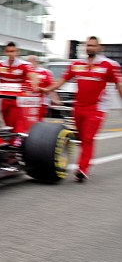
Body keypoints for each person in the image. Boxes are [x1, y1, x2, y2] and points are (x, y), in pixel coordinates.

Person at [42, 36, 122, 182]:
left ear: (99, 47)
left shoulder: (108, 65)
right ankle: (83, 164)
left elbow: (118, 85)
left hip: (97, 108)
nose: (89, 48)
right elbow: (61, 81)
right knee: (80, 136)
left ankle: (82, 169)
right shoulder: (77, 64)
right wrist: (46, 89)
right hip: (78, 107)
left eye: (92, 45)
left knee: (87, 138)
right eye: (87, 45)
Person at [0, 42, 39, 130]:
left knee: (14, 125)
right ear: (5, 52)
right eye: (8, 51)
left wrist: (35, 84)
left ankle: (15, 141)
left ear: (17, 52)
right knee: (6, 123)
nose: (11, 54)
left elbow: (33, 76)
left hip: (18, 101)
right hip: (4, 99)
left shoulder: (25, 65)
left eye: (13, 51)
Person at [26, 55, 60, 121]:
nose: (30, 63)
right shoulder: (26, 72)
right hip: (27, 101)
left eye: (31, 61)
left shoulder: (45, 72)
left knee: (38, 120)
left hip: (42, 102)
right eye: (28, 61)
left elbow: (51, 87)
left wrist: (55, 99)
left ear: (36, 62)